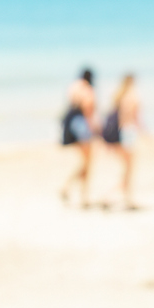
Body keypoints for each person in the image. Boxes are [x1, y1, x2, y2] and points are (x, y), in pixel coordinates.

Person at [98, 73, 145, 210]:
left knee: (127, 168)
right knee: (129, 169)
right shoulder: (132, 97)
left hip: (120, 134)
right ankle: (117, 197)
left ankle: (123, 198)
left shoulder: (119, 96)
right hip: (127, 133)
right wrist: (145, 134)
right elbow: (133, 119)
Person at [59, 67, 97, 205]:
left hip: (69, 122)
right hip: (81, 123)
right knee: (87, 162)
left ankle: (70, 188)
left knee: (84, 161)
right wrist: (93, 127)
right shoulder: (88, 89)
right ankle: (81, 195)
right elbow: (88, 108)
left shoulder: (73, 86)